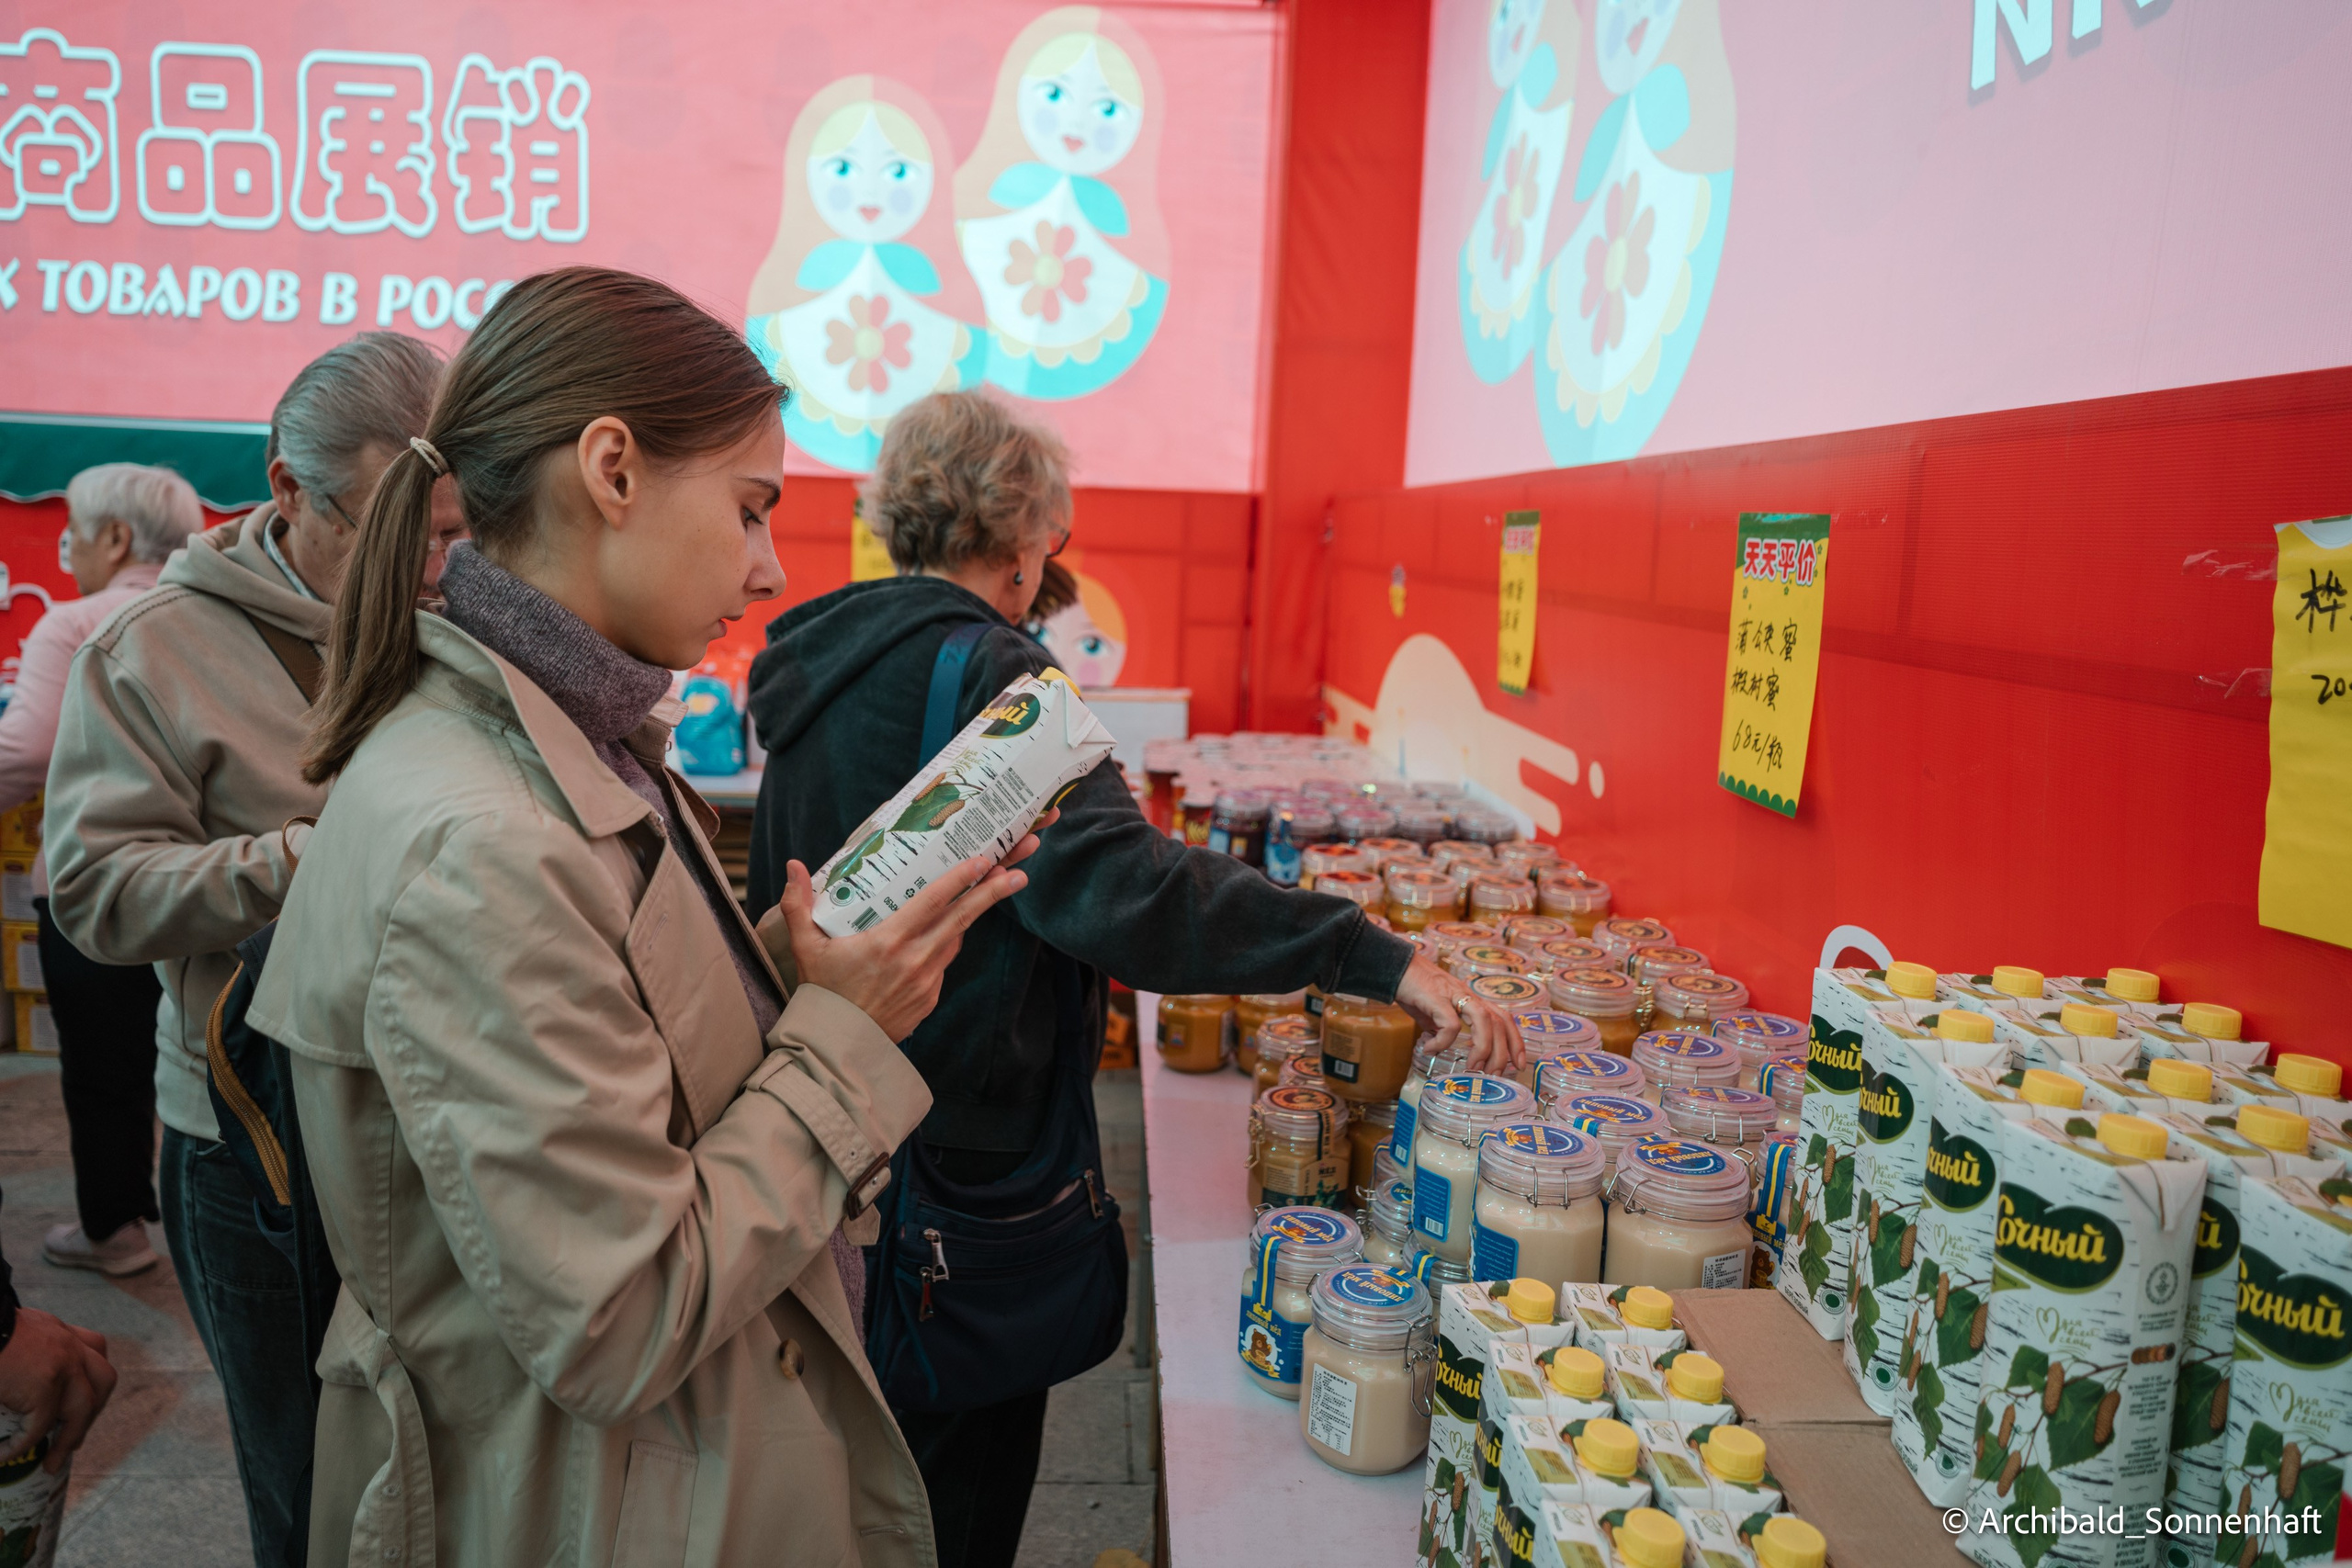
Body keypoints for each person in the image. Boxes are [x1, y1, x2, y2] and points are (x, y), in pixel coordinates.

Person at [246, 266, 1030, 1568]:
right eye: (751, 507)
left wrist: (789, 963)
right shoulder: (484, 838)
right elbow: (618, 1310)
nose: (770, 566)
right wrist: (842, 1031)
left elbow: (620, 1052)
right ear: (611, 467)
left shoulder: (577, 743)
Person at [745, 389, 1521, 1568]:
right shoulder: (995, 674)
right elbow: (1131, 892)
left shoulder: (818, 655)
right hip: (957, 1158)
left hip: (818, 1125)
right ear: (1024, 537)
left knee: (860, 1459)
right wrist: (1372, 953)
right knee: (955, 1480)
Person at [42, 331, 454, 1568]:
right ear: (286, 486)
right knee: (314, 1490)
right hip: (255, 1147)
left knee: (445, 1481)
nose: (431, 569)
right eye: (397, 531)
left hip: (444, 1118)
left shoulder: (460, 617)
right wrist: (294, 860)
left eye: (452, 533)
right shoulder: (152, 649)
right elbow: (94, 890)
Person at [0, 465, 200, 1277]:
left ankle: (115, 1230)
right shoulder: (212, 616)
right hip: (205, 886)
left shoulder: (77, 621)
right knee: (195, 1061)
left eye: (74, 533)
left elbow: (28, 750)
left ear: (115, 538)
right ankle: (204, 1227)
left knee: (103, 1066)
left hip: (96, 893)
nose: (70, 550)